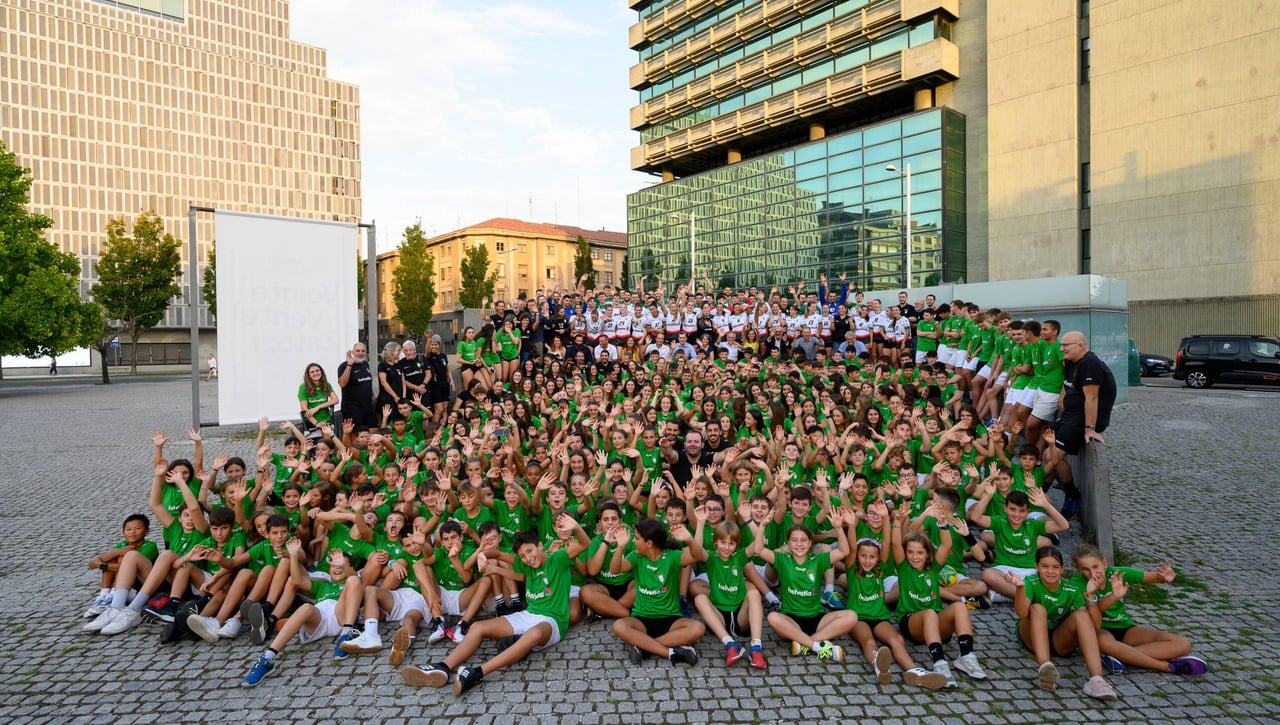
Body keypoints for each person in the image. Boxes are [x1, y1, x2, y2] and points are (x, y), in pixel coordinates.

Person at [400, 519, 590, 695]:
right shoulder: (525, 565)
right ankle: (442, 666)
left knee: (534, 634)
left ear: (540, 546)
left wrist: (575, 526)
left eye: (530, 551)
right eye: (523, 556)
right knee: (478, 627)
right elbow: (498, 554)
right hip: (529, 614)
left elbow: (584, 544)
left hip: (552, 620)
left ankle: (476, 672)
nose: (528, 558)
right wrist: (482, 555)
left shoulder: (558, 560)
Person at [1070, 544, 1208, 675]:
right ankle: (1167, 666)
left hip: (1124, 627)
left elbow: (1152, 577)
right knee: (1104, 642)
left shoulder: (1116, 573)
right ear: (1079, 570)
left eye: (1096, 566)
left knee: (1183, 644)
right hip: (1099, 631)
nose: (1093, 573)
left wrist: (1166, 577)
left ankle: (1122, 657)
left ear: (1104, 563)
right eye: (1085, 569)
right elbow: (1096, 621)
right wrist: (1101, 595)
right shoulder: (1078, 583)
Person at [748, 510, 859, 664]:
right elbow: (758, 550)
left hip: (817, 618)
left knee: (851, 616)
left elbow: (844, 551)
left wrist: (839, 528)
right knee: (773, 617)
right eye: (794, 540)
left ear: (810, 543)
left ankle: (805, 643)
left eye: (803, 540)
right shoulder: (782, 559)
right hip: (791, 619)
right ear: (788, 543)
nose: (799, 544)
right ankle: (818, 646)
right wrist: (762, 526)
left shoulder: (818, 559)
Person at [1010, 546, 1118, 701]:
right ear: (1036, 567)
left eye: (1055, 567)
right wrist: (1020, 588)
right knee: (1038, 608)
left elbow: (1096, 625)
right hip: (1030, 635)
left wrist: (1091, 596)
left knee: (1082, 615)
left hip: (1058, 641)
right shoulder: (1030, 582)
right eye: (1044, 566)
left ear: (1062, 570)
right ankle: (1045, 668)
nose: (1050, 571)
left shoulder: (1071, 589)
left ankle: (1096, 680)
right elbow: (1021, 613)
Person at [609, 518, 706, 666]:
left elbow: (698, 557)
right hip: (642, 618)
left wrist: (689, 540)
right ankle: (671, 653)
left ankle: (643, 646)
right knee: (619, 626)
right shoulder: (636, 556)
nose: (634, 541)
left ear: (649, 544)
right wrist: (620, 547)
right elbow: (615, 570)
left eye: (637, 538)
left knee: (698, 628)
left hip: (670, 618)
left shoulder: (672, 556)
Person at [1045, 331, 1117, 520]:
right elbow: (1067, 384)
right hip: (1069, 414)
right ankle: (1038, 494)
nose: (1061, 349)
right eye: (1061, 345)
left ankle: (1071, 495)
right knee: (1047, 455)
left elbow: (1092, 399)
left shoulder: (1090, 364)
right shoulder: (1071, 361)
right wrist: (1063, 397)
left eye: (1065, 345)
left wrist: (1089, 428)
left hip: (1083, 418)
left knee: (1056, 456)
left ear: (1080, 346)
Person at [338, 343, 376, 429]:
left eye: (363, 351)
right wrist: (349, 365)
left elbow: (368, 382)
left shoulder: (366, 364)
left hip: (368, 407)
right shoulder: (344, 366)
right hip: (352, 409)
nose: (360, 353)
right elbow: (342, 384)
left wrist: (373, 397)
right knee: (356, 437)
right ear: (353, 352)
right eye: (357, 351)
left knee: (374, 432)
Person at [376, 342, 405, 411]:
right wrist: (395, 396)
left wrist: (404, 397)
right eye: (398, 350)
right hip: (387, 399)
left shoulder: (398, 365)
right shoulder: (382, 365)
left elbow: (403, 382)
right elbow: (384, 382)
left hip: (400, 399)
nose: (400, 352)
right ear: (392, 351)